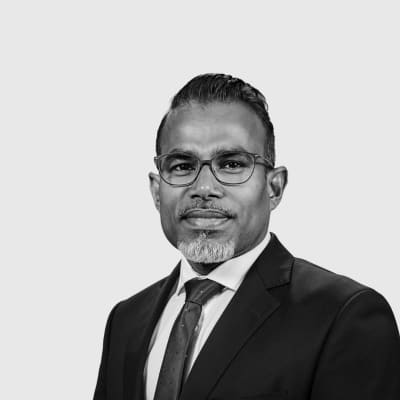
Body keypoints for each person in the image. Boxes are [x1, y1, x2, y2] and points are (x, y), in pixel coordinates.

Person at [93, 73, 400, 400]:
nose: (204, 188)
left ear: (274, 187)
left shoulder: (344, 317)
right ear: (157, 191)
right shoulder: (126, 320)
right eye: (182, 166)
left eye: (231, 164)